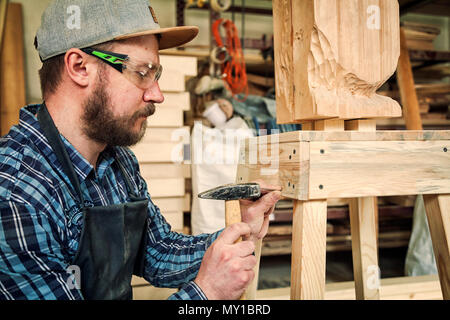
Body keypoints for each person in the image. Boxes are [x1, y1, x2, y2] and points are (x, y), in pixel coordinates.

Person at [0, 0, 281, 300]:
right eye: (142, 72)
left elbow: (158, 252)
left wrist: (234, 234)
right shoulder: (16, 194)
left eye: (156, 75)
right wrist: (206, 292)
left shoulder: (117, 161)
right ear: (79, 67)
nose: (157, 94)